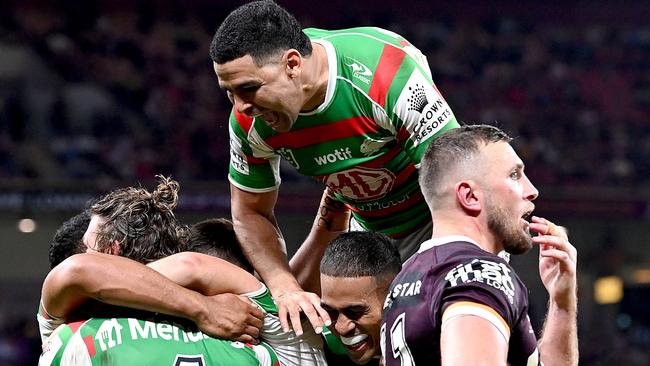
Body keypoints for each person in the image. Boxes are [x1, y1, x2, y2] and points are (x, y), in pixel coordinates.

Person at [210, 0, 459, 334]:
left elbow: (457, 179)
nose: (241, 106)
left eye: (249, 88)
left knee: (445, 329)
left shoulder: (384, 74)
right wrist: (286, 289)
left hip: (439, 219)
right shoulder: (246, 121)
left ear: (292, 64)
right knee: (351, 338)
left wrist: (433, 267)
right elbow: (249, 213)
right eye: (230, 93)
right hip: (368, 233)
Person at [381, 125, 578, 365]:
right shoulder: (480, 273)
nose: (532, 191)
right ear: (470, 196)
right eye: (515, 175)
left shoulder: (407, 277)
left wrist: (562, 302)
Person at [38, 176, 264, 345]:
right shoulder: (210, 320)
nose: (86, 257)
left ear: (111, 251)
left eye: (88, 247)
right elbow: (192, 266)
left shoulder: (71, 328)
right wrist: (203, 307)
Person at [318, 231, 402, 365]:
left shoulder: (436, 343)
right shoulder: (315, 341)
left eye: (355, 311)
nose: (341, 328)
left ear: (393, 299)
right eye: (330, 310)